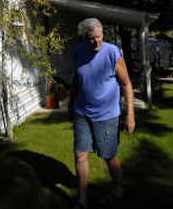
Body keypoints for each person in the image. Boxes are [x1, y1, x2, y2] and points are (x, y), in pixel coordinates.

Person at [68, 18, 135, 209]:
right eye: (91, 39)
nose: (96, 42)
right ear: (84, 38)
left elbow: (127, 84)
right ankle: (82, 199)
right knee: (80, 154)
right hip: (81, 112)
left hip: (106, 116)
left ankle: (118, 188)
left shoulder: (112, 53)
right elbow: (77, 79)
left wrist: (130, 114)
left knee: (108, 155)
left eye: (99, 37)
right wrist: (71, 104)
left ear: (102, 34)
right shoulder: (78, 51)